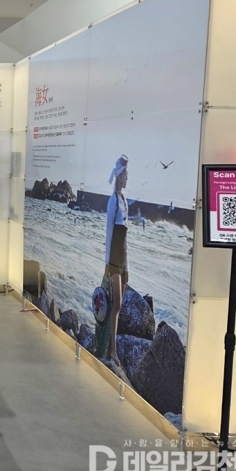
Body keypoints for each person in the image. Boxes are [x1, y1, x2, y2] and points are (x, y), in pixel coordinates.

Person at [105, 155, 129, 365]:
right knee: (117, 303)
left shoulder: (124, 201)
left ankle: (110, 347)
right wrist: (107, 262)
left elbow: (125, 239)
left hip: (122, 258)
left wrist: (127, 265)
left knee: (118, 306)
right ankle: (112, 349)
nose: (127, 178)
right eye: (125, 175)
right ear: (119, 177)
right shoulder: (113, 200)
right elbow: (109, 233)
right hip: (113, 258)